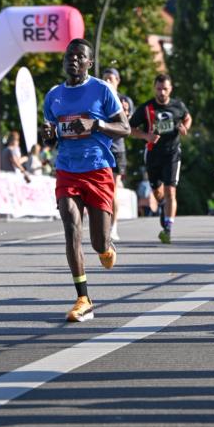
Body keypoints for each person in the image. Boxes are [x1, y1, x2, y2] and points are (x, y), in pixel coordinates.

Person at [43, 38, 130, 322]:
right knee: (71, 226)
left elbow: (125, 128)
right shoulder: (53, 96)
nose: (74, 59)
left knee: (98, 242)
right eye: (70, 55)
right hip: (67, 169)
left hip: (97, 169)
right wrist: (48, 135)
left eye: (80, 56)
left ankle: (106, 248)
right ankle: (83, 299)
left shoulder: (102, 90)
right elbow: (52, 135)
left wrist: (97, 124)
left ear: (89, 63)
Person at [130, 73, 192, 244]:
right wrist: (146, 136)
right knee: (158, 193)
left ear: (170, 89)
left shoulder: (178, 105)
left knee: (171, 191)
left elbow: (187, 117)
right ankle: (163, 205)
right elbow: (130, 128)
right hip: (153, 154)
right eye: (159, 89)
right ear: (154, 89)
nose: (162, 92)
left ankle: (168, 229)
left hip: (172, 153)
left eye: (165, 89)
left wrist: (185, 128)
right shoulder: (146, 108)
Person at [100, 67, 133, 242]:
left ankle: (113, 227)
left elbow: (128, 125)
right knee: (100, 189)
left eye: (111, 79)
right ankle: (101, 224)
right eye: (105, 78)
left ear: (118, 81)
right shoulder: (98, 97)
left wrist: (125, 114)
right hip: (99, 148)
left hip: (117, 149)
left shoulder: (124, 100)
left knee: (112, 190)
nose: (107, 81)